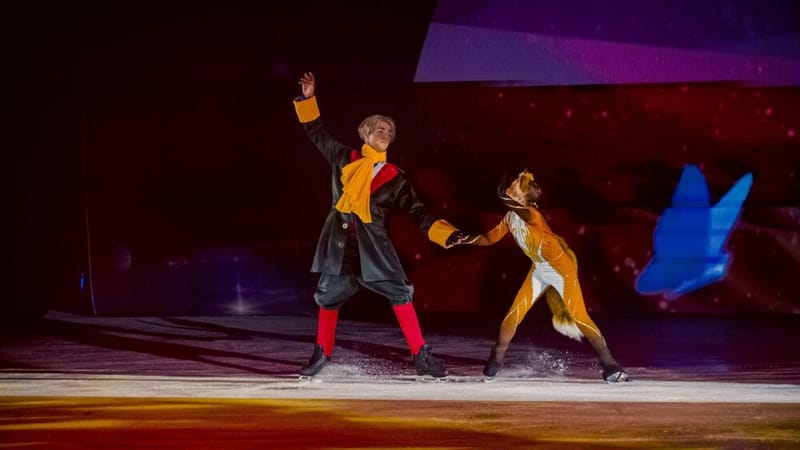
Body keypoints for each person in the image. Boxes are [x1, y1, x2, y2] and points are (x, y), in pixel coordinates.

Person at [292, 72, 463, 378]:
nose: (385, 133)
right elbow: (316, 131)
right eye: (380, 129)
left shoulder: (395, 177)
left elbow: (418, 212)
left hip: (375, 250)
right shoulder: (343, 158)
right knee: (328, 296)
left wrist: (446, 234)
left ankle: (421, 356)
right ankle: (321, 354)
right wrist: (308, 99)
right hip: (340, 246)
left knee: (400, 293)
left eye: (389, 131)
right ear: (366, 133)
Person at [457, 170, 629, 382]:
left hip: (561, 270)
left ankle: (610, 364)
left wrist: (501, 194)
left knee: (580, 317)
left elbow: (509, 202)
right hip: (539, 269)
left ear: (522, 198)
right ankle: (496, 359)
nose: (511, 188)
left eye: (515, 187)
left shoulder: (533, 216)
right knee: (513, 314)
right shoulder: (510, 218)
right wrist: (463, 239)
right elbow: (488, 239)